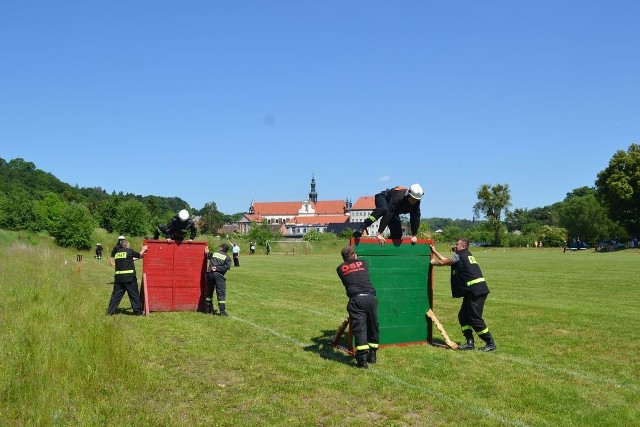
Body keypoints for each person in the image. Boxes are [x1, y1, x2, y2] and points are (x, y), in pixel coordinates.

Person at [429, 239, 496, 352]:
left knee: (475, 319)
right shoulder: (463, 255)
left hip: (476, 291)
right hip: (472, 291)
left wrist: (431, 262)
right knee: (463, 317)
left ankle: (490, 343)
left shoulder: (460, 255)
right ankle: (470, 343)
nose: (454, 245)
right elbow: (446, 260)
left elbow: (442, 262)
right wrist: (434, 251)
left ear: (463, 246)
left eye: (457, 244)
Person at [336, 246, 379, 369]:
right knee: (373, 326)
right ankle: (373, 356)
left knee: (360, 329)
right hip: (371, 298)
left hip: (356, 299)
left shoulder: (340, 268)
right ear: (354, 255)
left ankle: (362, 361)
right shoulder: (364, 263)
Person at [352, 184, 424, 245]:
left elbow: (415, 218)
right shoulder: (399, 197)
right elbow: (388, 214)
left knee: (397, 235)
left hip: (393, 211)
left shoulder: (416, 203)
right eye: (413, 199)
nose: (414, 201)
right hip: (383, 198)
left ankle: (384, 245)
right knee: (383, 209)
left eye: (416, 200)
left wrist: (414, 235)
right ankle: (363, 226)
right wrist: (379, 233)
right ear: (408, 194)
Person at [106, 240, 147, 316]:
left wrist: (140, 256)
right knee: (134, 295)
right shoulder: (129, 251)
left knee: (116, 296)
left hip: (119, 278)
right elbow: (138, 255)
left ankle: (109, 312)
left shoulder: (117, 253)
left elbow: (128, 259)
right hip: (129, 278)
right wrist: (143, 249)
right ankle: (138, 312)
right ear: (127, 245)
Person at [204, 243, 232, 316]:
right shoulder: (227, 257)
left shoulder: (214, 254)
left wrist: (207, 251)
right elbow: (227, 267)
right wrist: (217, 268)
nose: (219, 248)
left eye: (220, 247)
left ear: (222, 248)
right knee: (220, 292)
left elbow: (207, 254)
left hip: (209, 274)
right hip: (218, 275)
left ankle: (207, 310)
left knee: (209, 291)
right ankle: (222, 312)